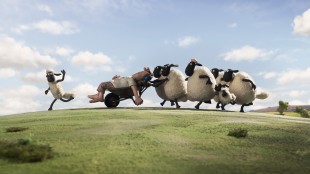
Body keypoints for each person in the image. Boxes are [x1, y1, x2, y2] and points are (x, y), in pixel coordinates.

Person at [88, 67, 152, 105]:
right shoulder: (131, 78)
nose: (138, 73)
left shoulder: (132, 80)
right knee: (103, 85)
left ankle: (100, 97)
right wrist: (115, 79)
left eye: (139, 73)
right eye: (138, 73)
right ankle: (98, 95)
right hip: (116, 85)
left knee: (102, 84)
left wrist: (137, 97)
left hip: (118, 87)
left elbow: (133, 86)